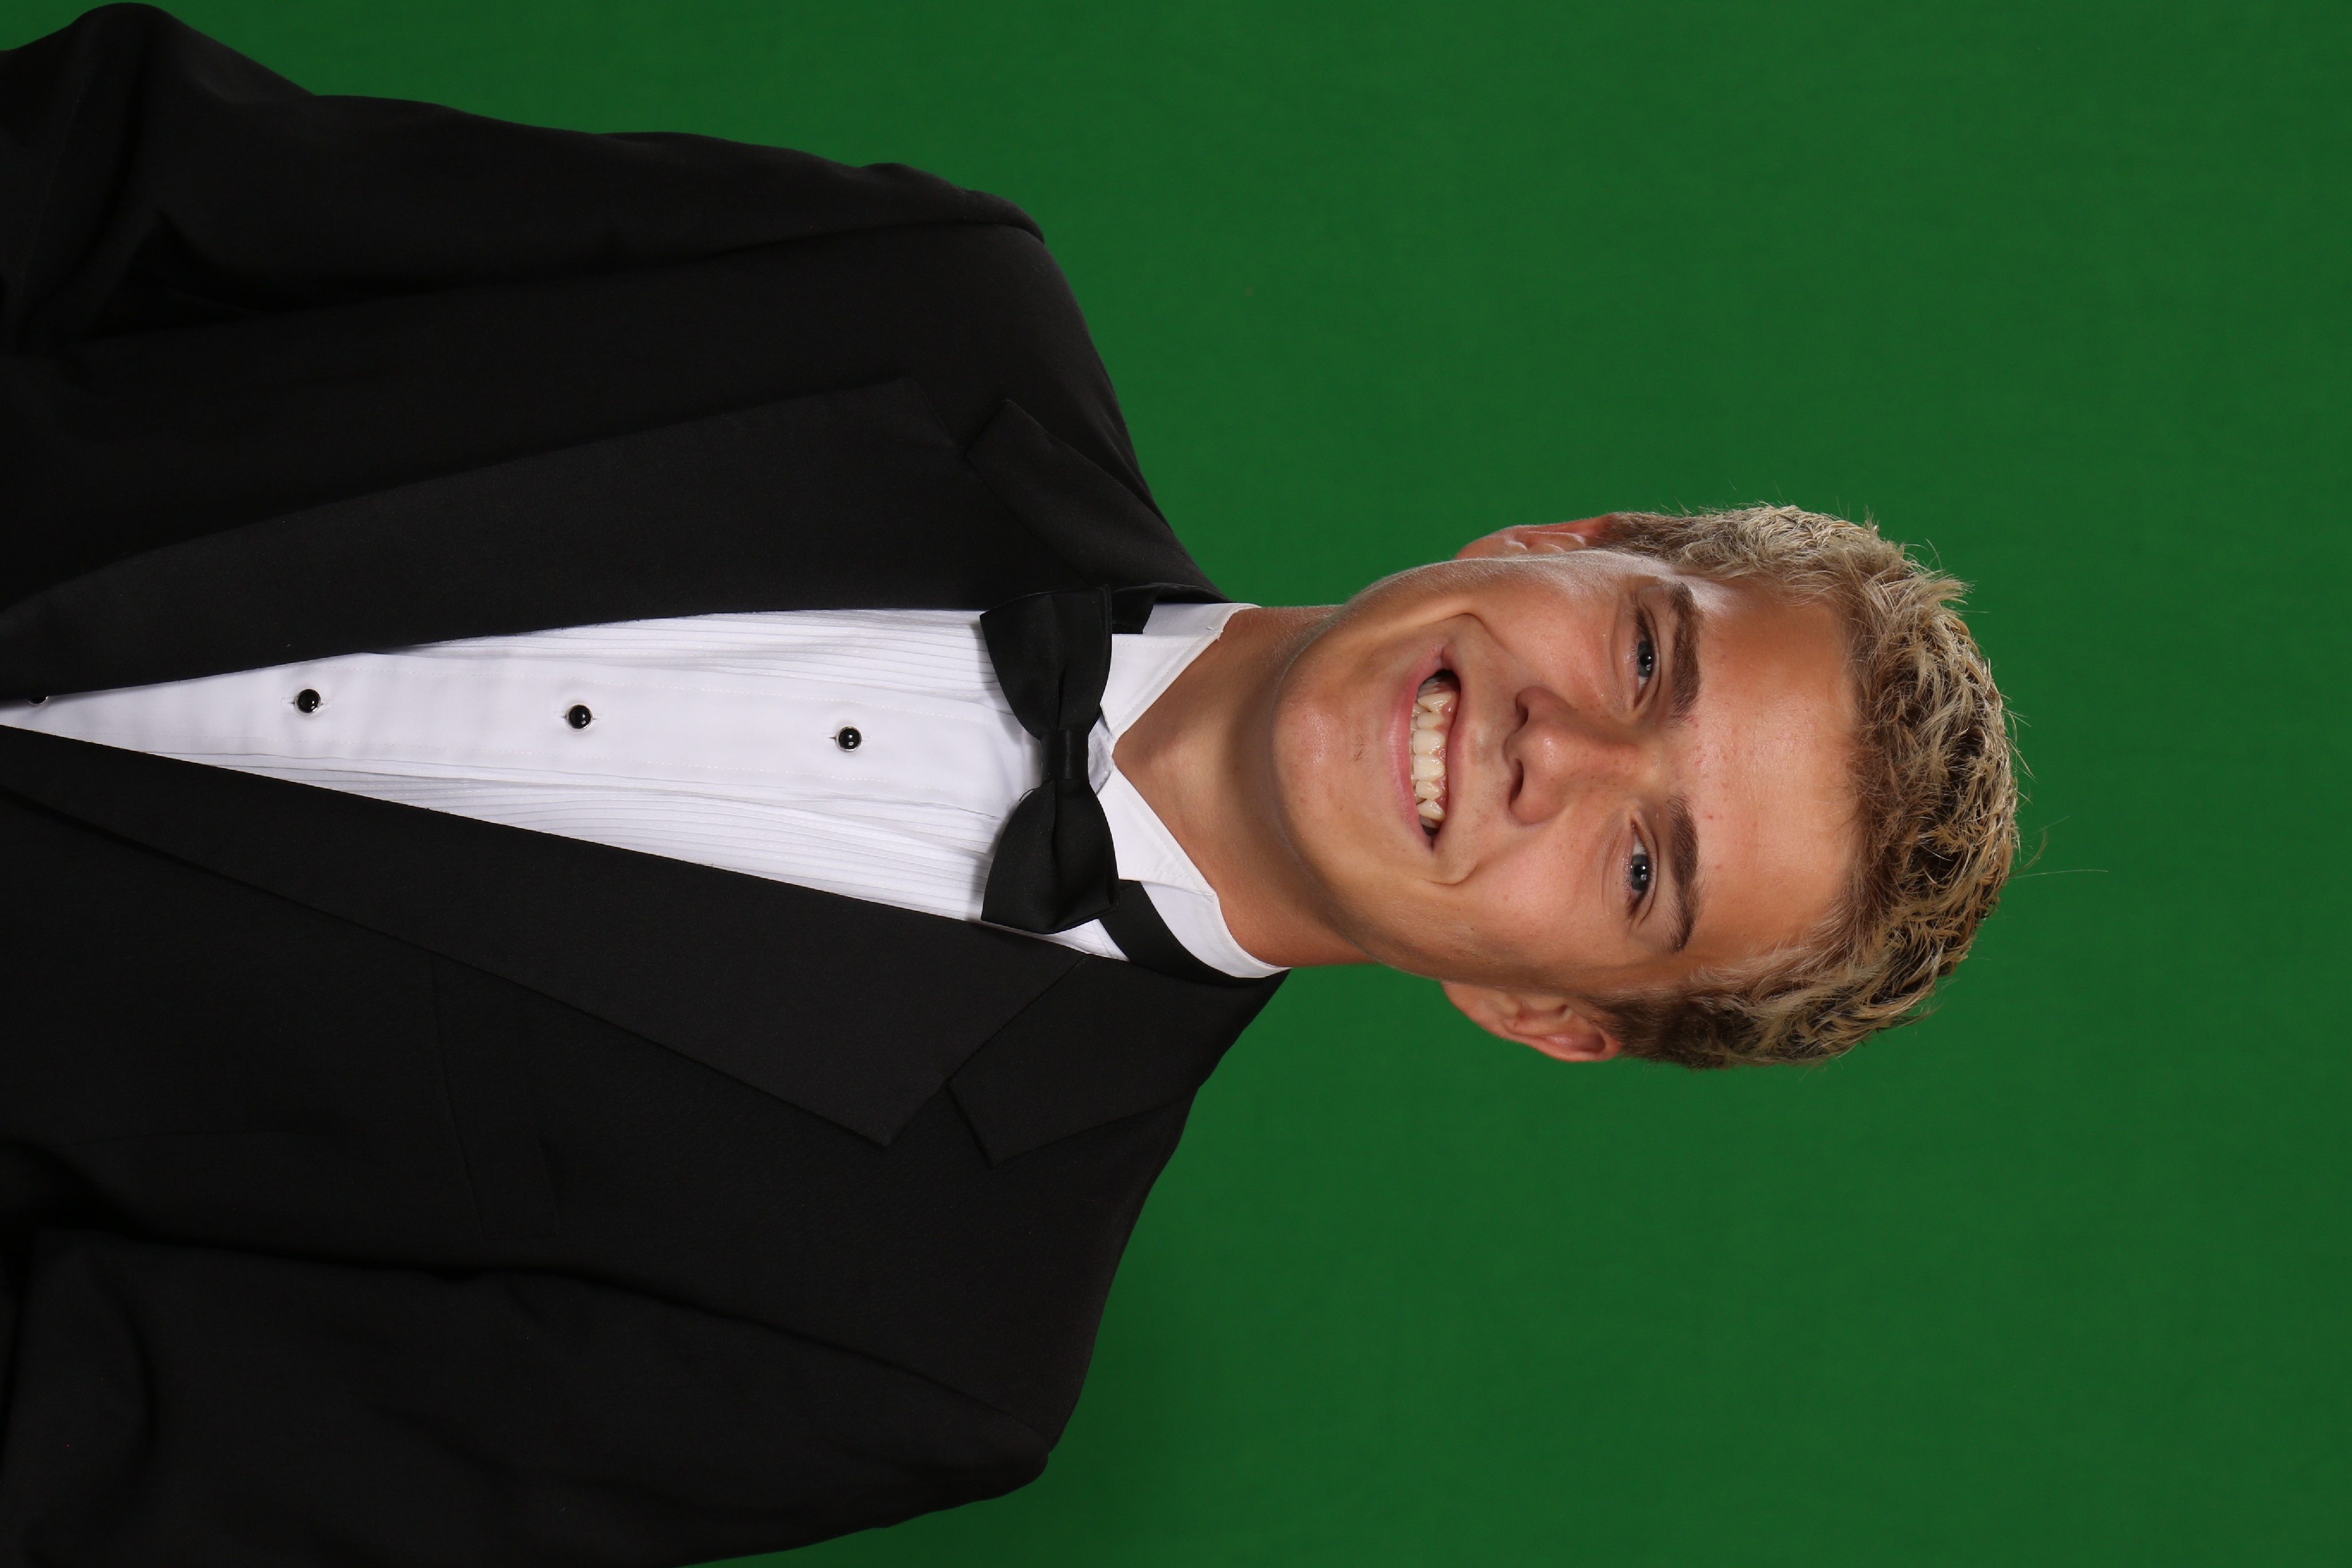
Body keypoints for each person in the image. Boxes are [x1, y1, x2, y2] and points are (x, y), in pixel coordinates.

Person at [0, 6, 2017, 1565]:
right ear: (1561, 542)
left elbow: (90, 1446)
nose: (1552, 749)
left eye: (1646, 867)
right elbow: (134, 166)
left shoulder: (928, 1350)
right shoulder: (926, 299)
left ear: (1542, 1011)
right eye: (1647, 656)